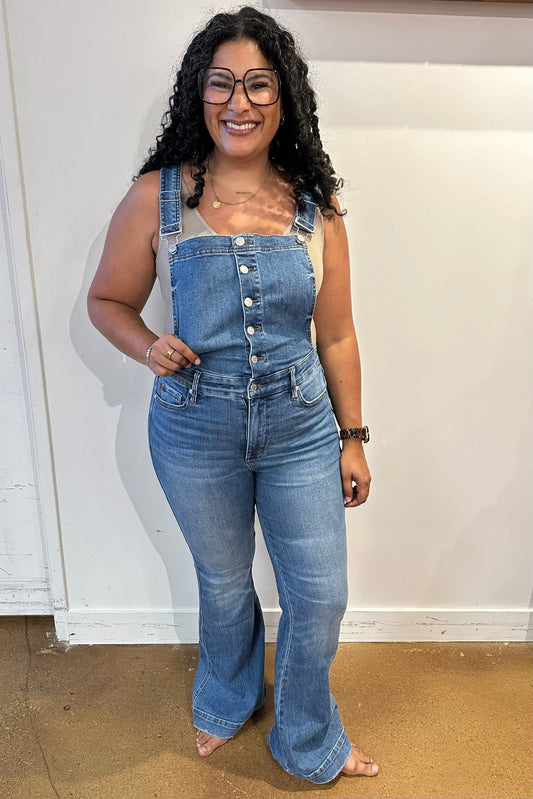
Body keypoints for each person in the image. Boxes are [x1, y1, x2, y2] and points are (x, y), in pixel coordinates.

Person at [87, 5, 378, 784]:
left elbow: (336, 336)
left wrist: (352, 436)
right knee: (222, 582)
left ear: (283, 99)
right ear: (199, 95)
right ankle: (225, 696)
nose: (238, 102)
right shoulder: (156, 198)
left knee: (320, 594)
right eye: (221, 84)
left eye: (258, 84)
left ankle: (306, 733)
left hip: (301, 427)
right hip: (193, 426)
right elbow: (106, 301)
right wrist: (148, 345)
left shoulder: (316, 208)